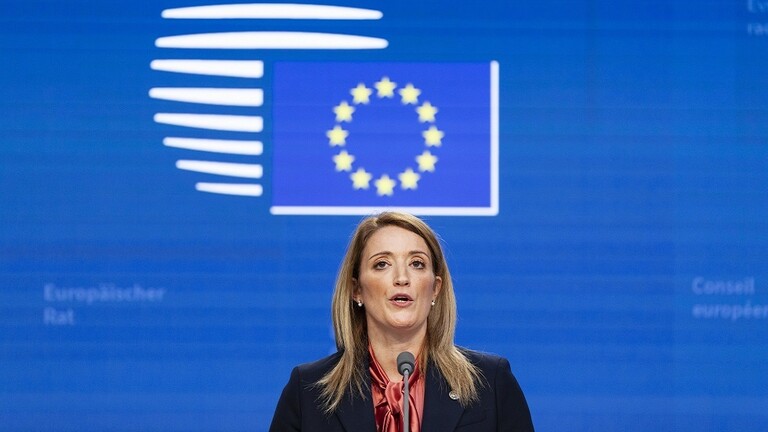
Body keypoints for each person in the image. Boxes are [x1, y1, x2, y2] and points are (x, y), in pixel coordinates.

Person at [270, 212, 534, 431]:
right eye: (382, 264)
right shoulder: (308, 390)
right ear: (356, 290)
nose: (402, 278)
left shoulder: (491, 383)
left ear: (435, 288)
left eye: (417, 264)